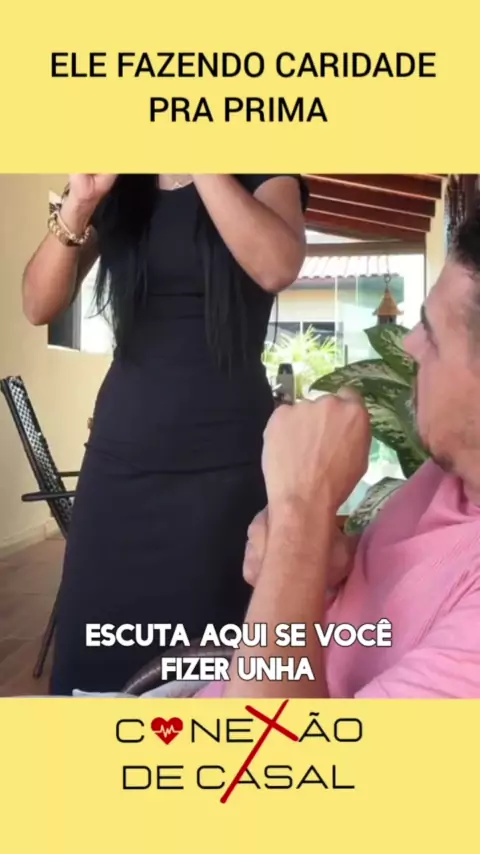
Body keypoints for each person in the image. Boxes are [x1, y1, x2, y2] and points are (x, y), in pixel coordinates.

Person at [22, 173, 308, 694]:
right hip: (120, 464)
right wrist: (80, 201)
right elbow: (38, 305)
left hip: (225, 468)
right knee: (92, 656)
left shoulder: (264, 174)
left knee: (209, 669)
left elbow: (277, 266)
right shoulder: (119, 187)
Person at [197, 212, 480, 700]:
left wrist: (300, 512)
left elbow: (267, 749)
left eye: (433, 336)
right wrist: (320, 559)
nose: (410, 343)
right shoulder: (449, 473)